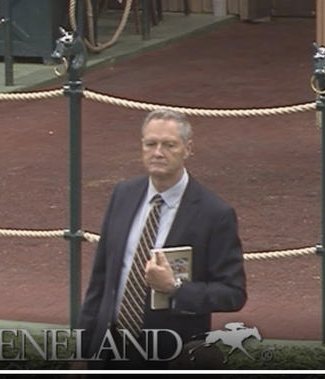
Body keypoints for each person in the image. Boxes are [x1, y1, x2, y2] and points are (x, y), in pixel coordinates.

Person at [78, 109, 247, 369]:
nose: (158, 152)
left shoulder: (215, 214)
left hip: (169, 357)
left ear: (187, 149)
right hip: (108, 352)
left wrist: (175, 288)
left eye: (169, 145)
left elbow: (233, 294)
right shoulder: (122, 194)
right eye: (151, 144)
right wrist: (83, 351)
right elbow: (100, 281)